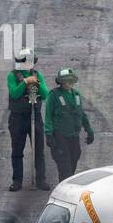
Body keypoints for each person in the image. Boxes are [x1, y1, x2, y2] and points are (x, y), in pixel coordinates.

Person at [7, 47, 47, 192]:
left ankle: (41, 180)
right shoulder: (12, 76)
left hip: (35, 116)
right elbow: (14, 94)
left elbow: (45, 94)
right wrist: (25, 82)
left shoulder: (37, 75)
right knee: (17, 150)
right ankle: (17, 181)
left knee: (39, 149)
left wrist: (36, 83)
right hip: (17, 118)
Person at [44, 67, 94, 181]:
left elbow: (81, 114)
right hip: (60, 137)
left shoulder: (76, 95)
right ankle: (64, 190)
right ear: (61, 82)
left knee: (73, 162)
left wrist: (89, 131)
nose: (69, 83)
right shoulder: (54, 95)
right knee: (64, 167)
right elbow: (48, 115)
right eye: (67, 81)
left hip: (74, 136)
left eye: (71, 80)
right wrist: (48, 134)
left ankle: (67, 186)